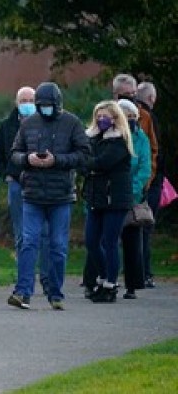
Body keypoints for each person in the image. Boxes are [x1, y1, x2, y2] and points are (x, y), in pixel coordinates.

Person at [8, 82, 90, 310]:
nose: (45, 109)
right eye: (41, 105)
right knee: (28, 242)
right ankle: (22, 291)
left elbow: (84, 154)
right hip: (32, 193)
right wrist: (27, 159)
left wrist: (58, 160)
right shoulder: (28, 123)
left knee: (58, 245)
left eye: (49, 105)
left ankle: (56, 293)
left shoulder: (72, 123)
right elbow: (14, 153)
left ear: (57, 104)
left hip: (60, 195)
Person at [0, 86, 52, 297]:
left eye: (30, 99)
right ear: (16, 102)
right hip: (16, 183)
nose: (26, 103)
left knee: (44, 233)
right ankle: (23, 281)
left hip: (41, 182)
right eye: (23, 100)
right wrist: (7, 174)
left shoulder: (46, 124)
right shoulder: (6, 126)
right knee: (21, 234)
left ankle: (46, 278)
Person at [80, 101, 134, 302]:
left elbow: (102, 162)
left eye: (106, 116)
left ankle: (110, 283)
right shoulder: (92, 139)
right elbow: (85, 163)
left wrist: (88, 165)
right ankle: (103, 277)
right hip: (96, 197)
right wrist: (87, 165)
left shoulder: (119, 141)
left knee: (110, 241)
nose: (101, 120)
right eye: (98, 116)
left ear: (115, 118)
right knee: (92, 241)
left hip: (115, 198)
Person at [119, 99, 153, 299]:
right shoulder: (113, 137)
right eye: (127, 117)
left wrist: (132, 190)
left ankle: (132, 285)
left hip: (133, 197)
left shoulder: (142, 139)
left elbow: (144, 169)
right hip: (112, 196)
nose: (131, 121)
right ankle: (105, 279)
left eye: (133, 117)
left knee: (133, 242)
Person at [135, 81, 164, 288]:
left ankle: (139, 271)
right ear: (152, 98)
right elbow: (155, 153)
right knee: (144, 226)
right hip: (148, 183)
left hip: (144, 180)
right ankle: (143, 273)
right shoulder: (148, 118)